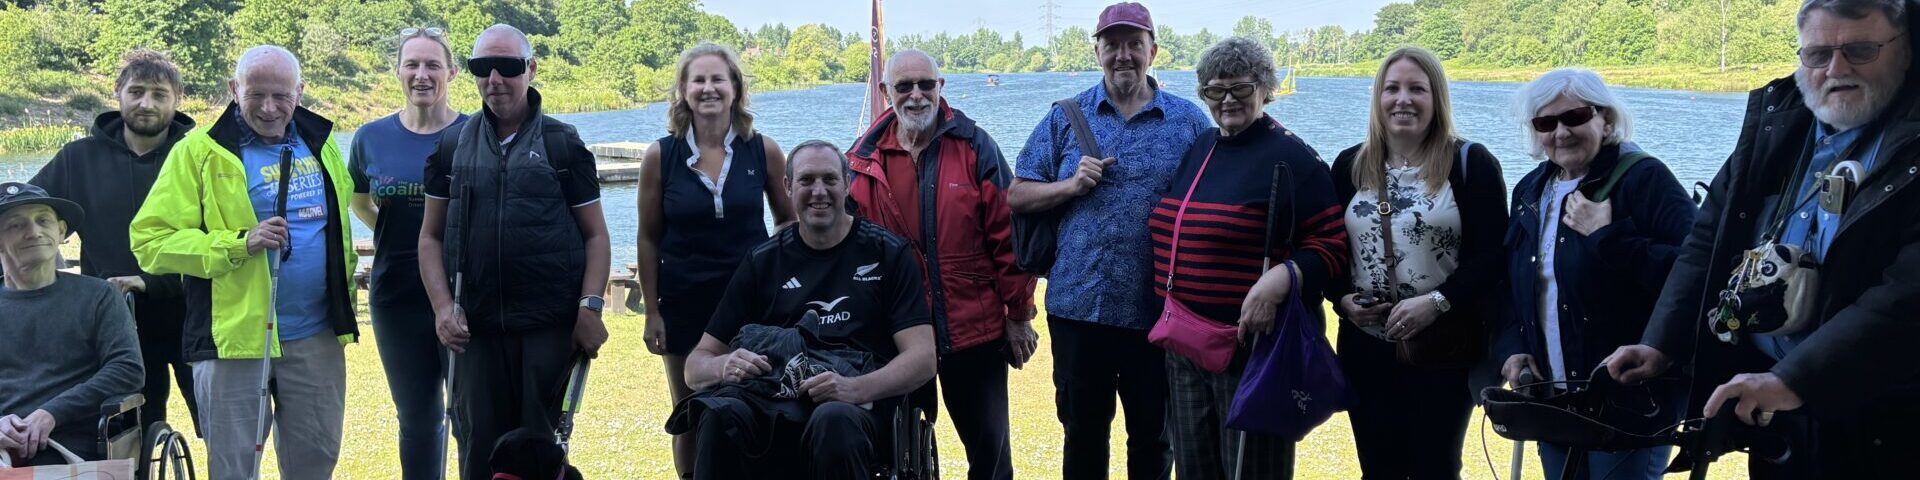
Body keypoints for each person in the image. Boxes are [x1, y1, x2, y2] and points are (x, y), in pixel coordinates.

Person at [1605, 0, 1920, 476]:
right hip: (1775, 415)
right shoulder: (1778, 123)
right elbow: (1708, 240)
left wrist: (1796, 380)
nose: (1836, 69)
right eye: (1818, 54)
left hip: (1882, 420)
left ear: (1905, 51)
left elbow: (1908, 294)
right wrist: (1661, 343)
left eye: (1861, 50)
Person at [130, 45, 359, 480]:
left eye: (281, 96)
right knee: (234, 471)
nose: (269, 108)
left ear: (300, 92)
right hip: (233, 344)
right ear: (234, 89)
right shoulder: (198, 151)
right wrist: (239, 243)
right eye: (255, 95)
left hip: (316, 335)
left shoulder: (322, 142)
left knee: (316, 464)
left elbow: (338, 231)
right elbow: (150, 242)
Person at [1007, 3, 1212, 477]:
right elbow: (1016, 194)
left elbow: (1212, 194)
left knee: (1153, 440)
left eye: (1134, 44)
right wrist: (1069, 186)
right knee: (1082, 435)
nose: (1123, 55)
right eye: (1112, 44)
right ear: (1097, 52)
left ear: (1152, 51)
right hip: (1078, 309)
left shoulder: (1187, 121)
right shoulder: (1065, 117)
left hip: (1157, 310)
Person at [417, 24, 611, 480]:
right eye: (482, 67)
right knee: (479, 452)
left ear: (531, 68)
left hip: (547, 329)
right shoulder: (451, 146)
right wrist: (443, 309)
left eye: (507, 66)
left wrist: (590, 306)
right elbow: (430, 238)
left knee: (541, 455)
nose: (494, 79)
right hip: (475, 332)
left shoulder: (563, 145)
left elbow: (596, 236)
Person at [678, 140, 939, 479]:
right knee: (718, 415)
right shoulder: (763, 261)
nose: (819, 191)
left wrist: (855, 388)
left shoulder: (887, 253)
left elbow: (922, 359)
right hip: (775, 402)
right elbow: (695, 367)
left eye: (830, 179)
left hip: (856, 409)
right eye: (806, 180)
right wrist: (724, 365)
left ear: (847, 184)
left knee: (832, 419)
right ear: (788, 187)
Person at [1149, 37, 1347, 479]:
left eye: (1240, 88)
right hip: (1185, 343)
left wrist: (1280, 281)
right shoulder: (1202, 148)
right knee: (1194, 472)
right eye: (1215, 90)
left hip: (1252, 352)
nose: (1227, 100)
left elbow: (1333, 246)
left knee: (1253, 473)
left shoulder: (1293, 159)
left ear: (1264, 88)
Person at [1493, 69, 1695, 480]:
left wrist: (1609, 237)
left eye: (1575, 116)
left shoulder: (1645, 179)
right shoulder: (1531, 190)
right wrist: (1512, 348)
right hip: (1552, 399)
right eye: (1546, 123)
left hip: (1630, 402)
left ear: (1606, 119)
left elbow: (1696, 274)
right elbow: (1510, 285)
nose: (1561, 132)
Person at [846, 49, 1037, 480]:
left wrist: (1019, 316)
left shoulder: (975, 146)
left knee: (990, 456)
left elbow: (1010, 238)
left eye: (926, 84)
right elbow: (848, 251)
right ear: (885, 92)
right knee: (901, 457)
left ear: (941, 87)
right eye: (904, 86)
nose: (916, 95)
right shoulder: (861, 160)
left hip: (974, 331)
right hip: (895, 336)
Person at [1327, 46, 1508, 479]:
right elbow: (1330, 250)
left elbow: (1491, 257)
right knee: (1377, 468)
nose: (1402, 100)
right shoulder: (1349, 165)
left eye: (1416, 89)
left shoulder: (1470, 164)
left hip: (1443, 347)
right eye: (1392, 89)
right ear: (1378, 97)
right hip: (1366, 349)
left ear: (1436, 97)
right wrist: (1342, 301)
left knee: (1436, 467)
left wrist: (1437, 302)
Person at [634, 41, 793, 479]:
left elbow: (788, 221)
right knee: (688, 410)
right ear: (683, 90)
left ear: (735, 88)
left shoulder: (763, 150)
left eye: (718, 79)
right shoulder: (660, 156)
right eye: (698, 80)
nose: (709, 88)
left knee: (753, 400)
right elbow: (648, 238)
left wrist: (773, 275)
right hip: (683, 303)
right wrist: (652, 312)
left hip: (751, 305)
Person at [28, 49, 199, 438]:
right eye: (136, 92)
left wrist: (151, 281)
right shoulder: (78, 159)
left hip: (195, 313)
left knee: (222, 427)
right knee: (127, 433)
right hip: (115, 320)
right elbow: (24, 212)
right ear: (118, 92)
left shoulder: (199, 157)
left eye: (159, 94)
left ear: (178, 99)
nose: (146, 103)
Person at [348, 27, 469, 480]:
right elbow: (360, 201)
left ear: (452, 72)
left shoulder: (473, 133)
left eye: (433, 64)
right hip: (396, 295)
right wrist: (406, 239)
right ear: (397, 71)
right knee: (418, 420)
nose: (422, 74)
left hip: (463, 295)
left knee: (470, 415)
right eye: (412, 64)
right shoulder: (370, 137)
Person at [0, 183, 143, 465]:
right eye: (16, 225)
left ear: (61, 231)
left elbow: (127, 369)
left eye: (43, 221)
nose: (34, 232)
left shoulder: (99, 296)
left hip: (75, 442)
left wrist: (52, 413)